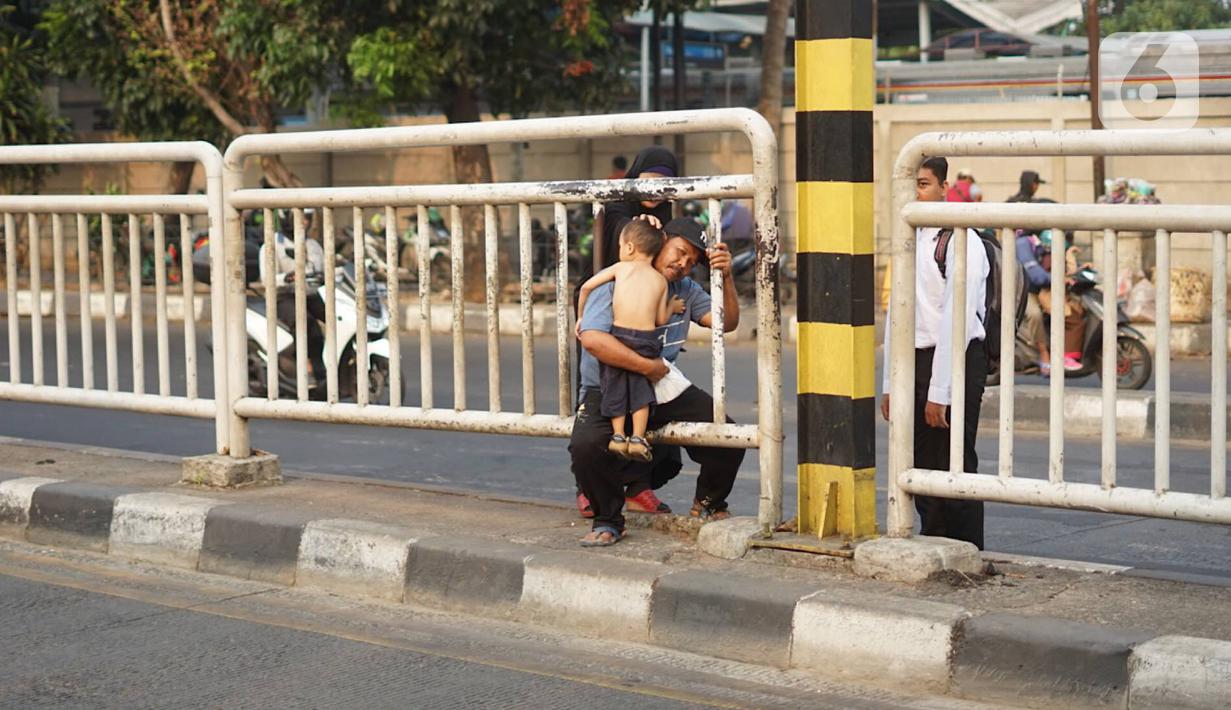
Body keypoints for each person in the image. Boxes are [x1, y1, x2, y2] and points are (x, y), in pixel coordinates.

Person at [571, 218, 742, 547]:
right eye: (680, 252)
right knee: (586, 445)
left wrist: (726, 277)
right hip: (607, 384)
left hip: (660, 386)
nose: (683, 264)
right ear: (661, 241)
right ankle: (608, 519)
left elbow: (727, 322)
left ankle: (707, 504)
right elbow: (592, 339)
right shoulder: (622, 276)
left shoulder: (686, 291)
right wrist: (646, 366)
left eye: (692, 262)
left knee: (728, 435)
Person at [881, 156, 990, 550]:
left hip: (957, 360)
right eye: (910, 184)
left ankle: (966, 550)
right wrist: (891, 382)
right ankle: (934, 543)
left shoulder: (961, 240)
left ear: (944, 187)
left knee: (956, 462)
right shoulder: (909, 238)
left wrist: (939, 391)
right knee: (920, 462)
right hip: (916, 362)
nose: (915, 192)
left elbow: (956, 321)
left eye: (923, 184)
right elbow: (897, 312)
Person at [573, 145, 682, 517]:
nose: (654, 190)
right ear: (635, 178)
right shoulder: (617, 206)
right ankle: (589, 488)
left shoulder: (670, 218)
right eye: (648, 181)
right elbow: (618, 232)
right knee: (598, 400)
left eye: (664, 184)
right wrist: (639, 230)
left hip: (645, 328)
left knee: (646, 405)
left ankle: (638, 485)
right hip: (604, 318)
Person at [575, 221, 677, 462]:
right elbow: (660, 318)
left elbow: (586, 288)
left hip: (620, 335)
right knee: (641, 389)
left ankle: (618, 435)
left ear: (629, 247)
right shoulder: (660, 280)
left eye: (621, 245)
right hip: (646, 340)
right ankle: (638, 438)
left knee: (615, 385)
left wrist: (581, 316)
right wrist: (673, 306)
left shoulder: (620, 268)